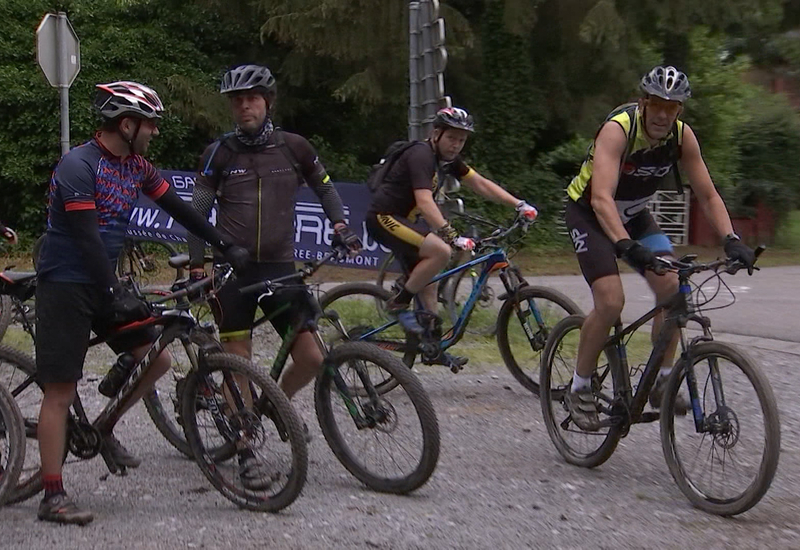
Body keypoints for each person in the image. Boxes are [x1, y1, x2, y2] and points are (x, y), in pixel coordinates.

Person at [34, 81, 249, 525]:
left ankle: (104, 427)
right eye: (149, 124)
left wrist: (223, 243)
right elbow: (87, 238)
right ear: (127, 124)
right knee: (60, 391)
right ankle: (52, 496)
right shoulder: (78, 165)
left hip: (103, 283)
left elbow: (181, 209)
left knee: (158, 360)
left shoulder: (136, 166)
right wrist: (111, 290)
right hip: (65, 285)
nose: (154, 132)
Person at [563, 66, 756, 430]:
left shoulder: (682, 137)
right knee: (610, 302)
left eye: (673, 107)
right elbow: (602, 198)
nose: (664, 114)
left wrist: (731, 239)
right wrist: (624, 245)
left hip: (634, 215)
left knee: (672, 288)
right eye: (657, 104)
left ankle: (664, 378)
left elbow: (708, 193)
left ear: (679, 110)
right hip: (589, 213)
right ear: (644, 103)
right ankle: (580, 387)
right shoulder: (618, 130)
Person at [187, 64, 361, 439]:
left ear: (267, 102)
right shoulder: (218, 152)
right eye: (237, 101)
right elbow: (196, 214)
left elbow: (326, 190)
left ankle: (272, 405)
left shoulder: (295, 147)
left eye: (251, 99)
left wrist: (340, 226)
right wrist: (199, 268)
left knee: (312, 358)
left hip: (281, 267)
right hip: (232, 271)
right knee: (238, 363)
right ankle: (243, 439)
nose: (244, 107)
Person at [365, 106, 538, 367]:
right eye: (451, 138)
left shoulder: (446, 160)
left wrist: (519, 204)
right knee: (441, 251)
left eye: (461, 140)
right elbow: (424, 201)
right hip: (384, 216)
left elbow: (479, 183)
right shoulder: (421, 155)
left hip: (405, 220)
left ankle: (432, 346)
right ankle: (399, 301)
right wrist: (452, 235)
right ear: (436, 133)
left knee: (430, 281)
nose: (456, 145)